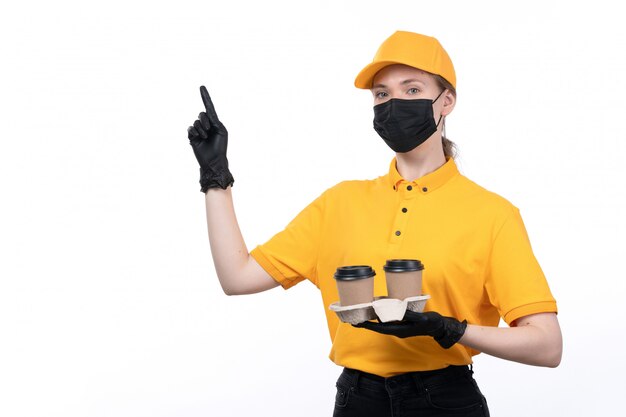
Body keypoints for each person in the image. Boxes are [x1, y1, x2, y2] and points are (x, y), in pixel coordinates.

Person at [186, 30, 562, 417]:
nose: (393, 103)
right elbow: (237, 277)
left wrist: (449, 329)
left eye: (412, 90)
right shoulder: (340, 202)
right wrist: (215, 178)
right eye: (382, 94)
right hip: (357, 400)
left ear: (446, 101)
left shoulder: (492, 214)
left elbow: (547, 346)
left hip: (445, 401)